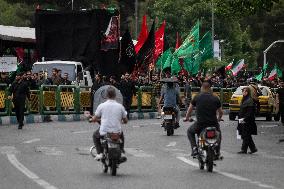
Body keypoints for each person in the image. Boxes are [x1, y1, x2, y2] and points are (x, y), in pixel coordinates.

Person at [184, 81, 223, 157]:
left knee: (190, 131)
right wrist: (218, 119)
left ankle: (194, 148)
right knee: (219, 135)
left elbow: (190, 109)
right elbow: (221, 112)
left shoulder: (197, 96)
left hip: (200, 124)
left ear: (202, 88)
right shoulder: (215, 98)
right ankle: (217, 151)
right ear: (210, 88)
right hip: (213, 123)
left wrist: (187, 118)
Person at [91, 86, 128, 160]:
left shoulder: (101, 106)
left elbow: (94, 118)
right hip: (117, 131)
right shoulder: (120, 106)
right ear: (115, 95)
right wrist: (122, 121)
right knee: (122, 135)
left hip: (104, 131)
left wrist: (90, 118)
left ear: (106, 95)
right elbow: (125, 120)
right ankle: (121, 151)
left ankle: (100, 153)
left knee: (95, 136)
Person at [237, 87, 258, 154]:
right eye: (243, 91)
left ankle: (244, 149)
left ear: (248, 92)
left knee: (246, 135)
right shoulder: (245, 99)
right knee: (246, 134)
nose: (243, 92)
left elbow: (249, 112)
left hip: (247, 120)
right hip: (243, 119)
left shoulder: (249, 100)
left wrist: (244, 118)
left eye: (245, 91)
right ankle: (253, 148)